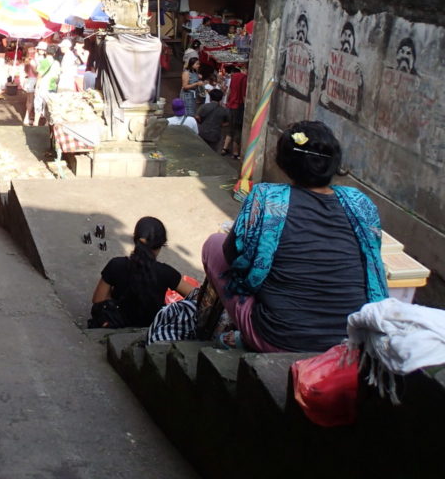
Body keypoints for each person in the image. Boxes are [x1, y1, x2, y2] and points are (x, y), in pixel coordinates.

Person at [201, 121, 388, 352]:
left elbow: (233, 259)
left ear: (284, 163)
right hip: (353, 339)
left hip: (280, 338)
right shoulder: (359, 203)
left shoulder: (265, 198)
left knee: (213, 245)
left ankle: (248, 337)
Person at [88, 216, 195, 329]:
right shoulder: (167, 273)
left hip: (118, 321)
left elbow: (98, 299)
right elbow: (195, 296)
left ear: (135, 239)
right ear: (161, 245)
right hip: (151, 325)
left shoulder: (116, 265)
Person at [222, 65, 247, 158]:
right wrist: (246, 109)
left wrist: (227, 102)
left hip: (231, 105)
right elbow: (244, 95)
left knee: (230, 128)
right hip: (238, 106)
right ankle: (235, 152)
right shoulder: (244, 78)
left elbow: (230, 91)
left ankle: (224, 148)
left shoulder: (234, 77)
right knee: (238, 130)